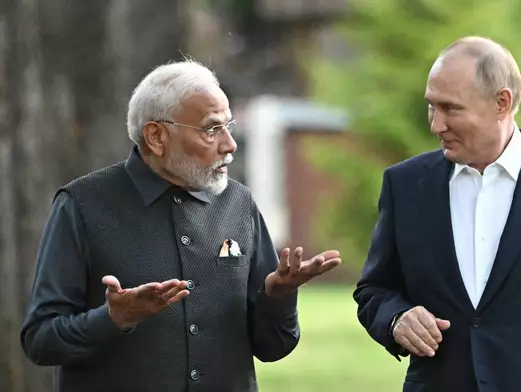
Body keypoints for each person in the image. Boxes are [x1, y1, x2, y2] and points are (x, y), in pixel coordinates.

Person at [20, 60, 342, 392]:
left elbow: (274, 347)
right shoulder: (82, 206)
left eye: (229, 127)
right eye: (212, 129)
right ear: (157, 136)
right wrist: (113, 318)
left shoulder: (239, 204)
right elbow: (41, 340)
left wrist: (278, 295)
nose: (230, 144)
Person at [353, 36, 521, 392]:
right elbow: (374, 289)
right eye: (431, 107)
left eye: (451, 108)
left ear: (503, 102)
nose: (436, 124)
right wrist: (395, 318)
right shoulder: (404, 185)